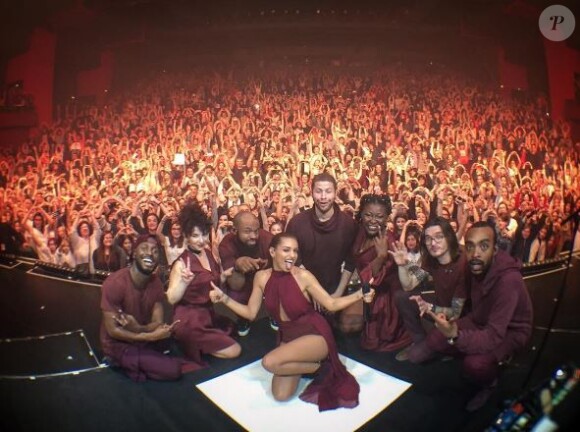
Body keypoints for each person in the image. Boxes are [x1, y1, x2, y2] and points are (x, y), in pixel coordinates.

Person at [209, 233, 375, 411]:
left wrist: (359, 295)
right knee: (280, 395)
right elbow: (250, 313)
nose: (292, 255)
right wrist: (224, 299)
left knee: (269, 362)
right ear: (272, 251)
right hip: (288, 338)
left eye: (295, 251)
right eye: (286, 250)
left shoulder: (303, 276)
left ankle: (318, 365)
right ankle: (314, 367)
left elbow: (331, 304)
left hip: (315, 335)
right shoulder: (262, 277)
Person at [414, 221, 533, 411]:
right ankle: (472, 352)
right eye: (470, 247)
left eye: (483, 246)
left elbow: (493, 335)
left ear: (495, 250)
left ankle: (490, 383)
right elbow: (452, 299)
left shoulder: (508, 281)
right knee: (436, 339)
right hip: (479, 318)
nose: (475, 254)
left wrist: (455, 336)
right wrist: (431, 308)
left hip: (511, 330)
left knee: (475, 364)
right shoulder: (470, 266)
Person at [100, 234, 183, 382]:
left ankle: (139, 361)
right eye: (144, 248)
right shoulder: (115, 283)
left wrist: (138, 329)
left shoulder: (156, 283)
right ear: (133, 253)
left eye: (155, 251)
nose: (150, 253)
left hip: (142, 337)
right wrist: (149, 336)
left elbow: (157, 321)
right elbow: (113, 330)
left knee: (179, 346)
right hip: (118, 344)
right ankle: (117, 361)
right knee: (173, 370)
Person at [166, 202, 241, 368]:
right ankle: (188, 345)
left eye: (204, 234)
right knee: (235, 350)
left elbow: (210, 282)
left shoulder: (207, 252)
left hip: (207, 315)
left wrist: (222, 276)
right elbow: (171, 298)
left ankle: (195, 346)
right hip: (189, 320)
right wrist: (184, 283)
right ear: (186, 237)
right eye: (195, 236)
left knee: (232, 328)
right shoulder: (181, 264)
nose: (201, 240)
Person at [391, 216, 467, 361]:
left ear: (449, 237)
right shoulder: (431, 259)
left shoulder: (463, 262)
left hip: (463, 317)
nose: (433, 243)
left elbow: (456, 312)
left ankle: (451, 348)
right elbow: (409, 285)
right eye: (428, 238)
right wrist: (403, 265)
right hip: (441, 307)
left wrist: (429, 307)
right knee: (401, 297)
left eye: (439, 237)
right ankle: (420, 341)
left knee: (417, 356)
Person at [286, 173, 357, 312]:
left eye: (328, 191)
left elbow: (350, 262)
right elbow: (292, 259)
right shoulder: (297, 223)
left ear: (335, 193)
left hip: (337, 286)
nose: (323, 197)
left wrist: (336, 295)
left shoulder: (349, 224)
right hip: (303, 286)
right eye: (318, 191)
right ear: (311, 192)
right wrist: (313, 291)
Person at [350, 194, 411, 351]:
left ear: (386, 218)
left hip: (384, 301)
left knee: (370, 343)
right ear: (361, 214)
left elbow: (373, 280)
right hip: (363, 291)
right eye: (368, 215)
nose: (372, 221)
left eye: (379, 216)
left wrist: (382, 256)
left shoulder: (390, 242)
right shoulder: (360, 233)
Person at [218, 210, 273, 335]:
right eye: (247, 231)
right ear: (234, 231)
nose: (254, 236)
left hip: (266, 278)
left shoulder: (267, 239)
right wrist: (237, 265)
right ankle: (243, 318)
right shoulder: (226, 244)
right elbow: (235, 284)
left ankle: (275, 313)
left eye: (256, 230)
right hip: (243, 282)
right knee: (234, 292)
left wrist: (270, 263)